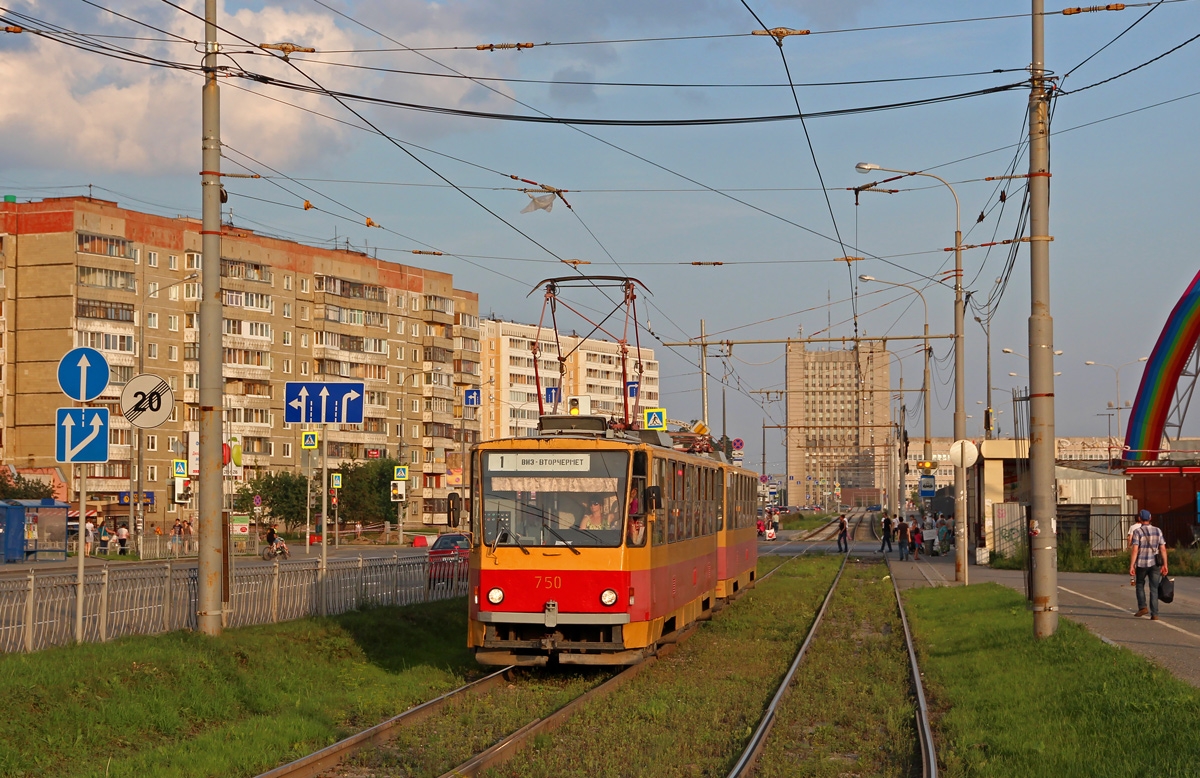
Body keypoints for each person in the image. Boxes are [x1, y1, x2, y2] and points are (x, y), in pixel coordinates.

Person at [1129, 509, 1168, 620]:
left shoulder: (1138, 532)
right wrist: (1165, 564)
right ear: (1150, 518)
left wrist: (1132, 565)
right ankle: (1155, 614)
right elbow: (1163, 549)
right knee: (1154, 588)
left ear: (1140, 519)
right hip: (1155, 564)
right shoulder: (1158, 530)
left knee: (1140, 584)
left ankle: (1143, 607)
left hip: (1141, 563)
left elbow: (1135, 550)